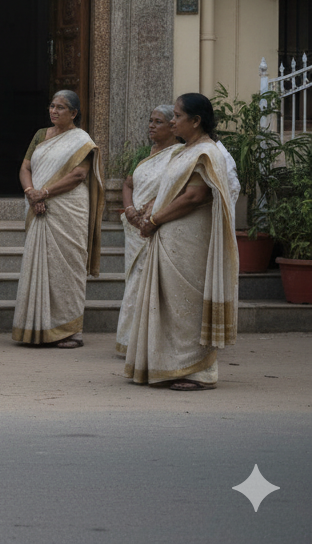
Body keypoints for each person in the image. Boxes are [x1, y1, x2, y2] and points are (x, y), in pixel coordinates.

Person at [121, 93, 239, 390]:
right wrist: (148, 212)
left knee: (187, 305)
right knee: (169, 305)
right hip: (168, 237)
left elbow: (195, 196)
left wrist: (156, 219)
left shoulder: (207, 153)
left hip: (189, 241)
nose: (172, 121)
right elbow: (166, 190)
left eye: (177, 116)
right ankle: (167, 366)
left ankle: (199, 371)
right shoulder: (183, 151)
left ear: (196, 121)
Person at [12, 90, 105, 349]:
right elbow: (25, 167)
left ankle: (70, 330)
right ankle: (36, 327)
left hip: (67, 207)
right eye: (52, 106)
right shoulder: (41, 135)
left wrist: (46, 192)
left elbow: (79, 175)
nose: (54, 111)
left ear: (73, 113)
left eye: (61, 108)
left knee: (67, 266)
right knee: (37, 263)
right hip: (37, 204)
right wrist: (32, 192)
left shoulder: (81, 141)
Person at [116, 105, 181, 355]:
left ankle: (150, 340)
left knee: (152, 282)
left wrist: (151, 212)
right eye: (150, 120)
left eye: (158, 121)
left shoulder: (179, 154)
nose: (151, 125)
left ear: (173, 126)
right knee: (133, 281)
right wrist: (130, 209)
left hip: (158, 226)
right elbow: (128, 183)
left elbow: (175, 188)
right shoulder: (146, 152)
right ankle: (129, 339)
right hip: (134, 228)